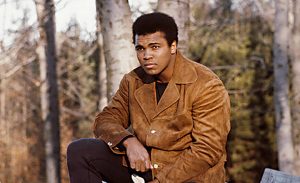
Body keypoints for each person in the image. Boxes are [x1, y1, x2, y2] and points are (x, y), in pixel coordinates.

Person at [67, 12, 230, 183]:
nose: (146, 56)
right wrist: (128, 141)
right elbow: (106, 119)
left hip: (188, 175)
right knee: (80, 151)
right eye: (140, 48)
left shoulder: (206, 84)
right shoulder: (133, 81)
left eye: (155, 47)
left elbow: (207, 149)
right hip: (145, 169)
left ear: (173, 46)